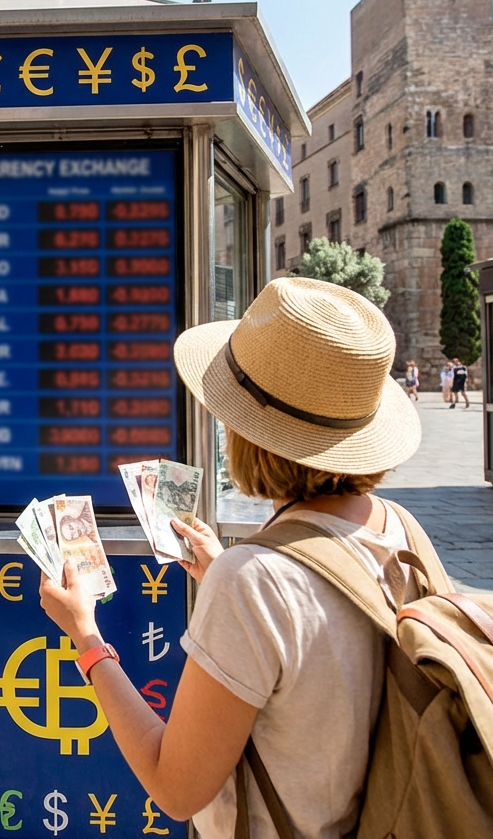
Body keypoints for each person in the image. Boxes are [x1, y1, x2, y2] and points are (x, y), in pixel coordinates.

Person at [38, 277, 424, 838]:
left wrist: (87, 638)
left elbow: (176, 789)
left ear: (248, 431)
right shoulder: (403, 530)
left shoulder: (255, 583)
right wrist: (227, 568)